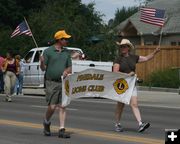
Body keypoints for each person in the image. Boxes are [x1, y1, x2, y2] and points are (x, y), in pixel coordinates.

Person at [113, 39, 160, 132]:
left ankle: (140, 124)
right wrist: (128, 75)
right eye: (121, 46)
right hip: (121, 85)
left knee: (134, 104)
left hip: (131, 85)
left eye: (124, 46)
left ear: (128, 48)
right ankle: (117, 124)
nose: (122, 48)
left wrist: (155, 52)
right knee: (120, 106)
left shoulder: (133, 57)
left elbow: (146, 58)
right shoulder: (118, 59)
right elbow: (115, 72)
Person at [40, 30, 72, 138]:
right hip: (51, 82)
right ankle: (46, 122)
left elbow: (69, 67)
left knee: (63, 106)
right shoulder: (48, 51)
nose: (67, 41)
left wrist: (67, 71)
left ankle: (62, 129)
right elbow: (43, 68)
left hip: (63, 82)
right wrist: (41, 62)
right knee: (52, 107)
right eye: (65, 39)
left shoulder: (66, 52)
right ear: (59, 40)